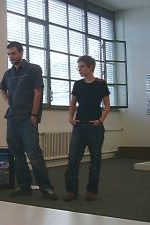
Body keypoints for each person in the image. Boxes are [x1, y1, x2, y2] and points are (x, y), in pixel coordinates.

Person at [0, 41, 57, 200]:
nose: (11, 57)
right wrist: (9, 101)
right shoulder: (8, 74)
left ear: (21, 53)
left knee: (33, 154)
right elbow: (1, 88)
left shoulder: (33, 69)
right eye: (9, 54)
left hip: (27, 119)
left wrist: (34, 115)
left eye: (13, 53)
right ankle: (24, 186)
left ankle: (46, 188)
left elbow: (38, 91)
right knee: (17, 154)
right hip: (12, 119)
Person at [64, 55, 110, 202]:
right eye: (78, 67)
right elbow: (73, 104)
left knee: (95, 161)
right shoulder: (78, 84)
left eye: (82, 66)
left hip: (95, 128)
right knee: (73, 160)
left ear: (91, 67)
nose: (80, 70)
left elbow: (107, 106)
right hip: (79, 127)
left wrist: (101, 120)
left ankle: (91, 191)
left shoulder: (101, 83)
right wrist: (71, 118)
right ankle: (71, 191)